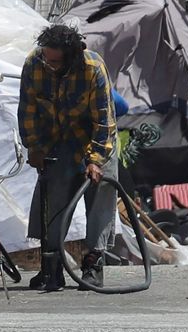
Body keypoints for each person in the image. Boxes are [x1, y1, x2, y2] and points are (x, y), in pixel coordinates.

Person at [18, 23, 118, 292]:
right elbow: (27, 111)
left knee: (101, 192)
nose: (48, 64)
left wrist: (96, 160)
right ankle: (51, 265)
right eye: (46, 58)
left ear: (71, 57)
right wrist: (34, 147)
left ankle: (93, 263)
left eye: (55, 61)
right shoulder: (34, 64)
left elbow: (104, 121)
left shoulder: (93, 69)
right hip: (57, 141)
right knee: (52, 199)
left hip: (94, 140)